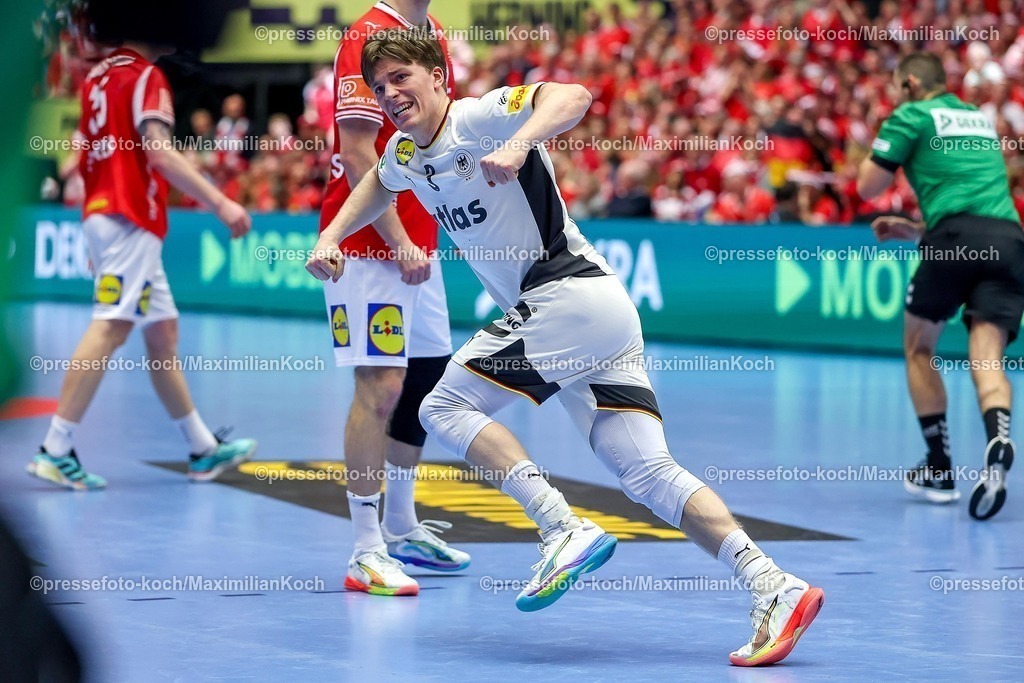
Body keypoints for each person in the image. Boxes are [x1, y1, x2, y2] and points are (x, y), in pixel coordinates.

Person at [308, 29, 824, 667]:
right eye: (379, 86)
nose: (389, 95)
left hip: (565, 296)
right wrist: (331, 235)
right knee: (645, 472)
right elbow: (378, 185)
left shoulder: (480, 117)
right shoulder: (410, 154)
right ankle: (775, 586)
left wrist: (520, 141)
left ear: (439, 75)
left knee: (442, 408)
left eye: (401, 79)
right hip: (597, 316)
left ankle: (562, 526)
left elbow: (573, 94)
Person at [27, 39, 257, 490]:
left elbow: (80, 160)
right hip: (129, 216)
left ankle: (201, 449)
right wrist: (221, 204)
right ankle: (55, 448)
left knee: (162, 332)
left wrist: (95, 223)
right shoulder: (146, 77)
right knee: (111, 324)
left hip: (108, 213)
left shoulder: (98, 76)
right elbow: (160, 153)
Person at [318, 1, 470, 597]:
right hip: (368, 244)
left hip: (420, 240)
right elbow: (358, 153)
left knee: (426, 379)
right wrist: (402, 241)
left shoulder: (430, 33)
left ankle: (403, 527)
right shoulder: (366, 34)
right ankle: (364, 548)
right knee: (379, 386)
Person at [858, 52, 1021, 521]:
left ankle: (940, 467)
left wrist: (887, 137)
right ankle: (999, 439)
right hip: (1009, 241)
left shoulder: (911, 114)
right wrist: (913, 228)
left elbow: (868, 186)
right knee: (987, 355)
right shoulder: (977, 118)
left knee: (919, 347)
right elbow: (969, 200)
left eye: (896, 86)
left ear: (910, 82)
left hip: (953, 240)